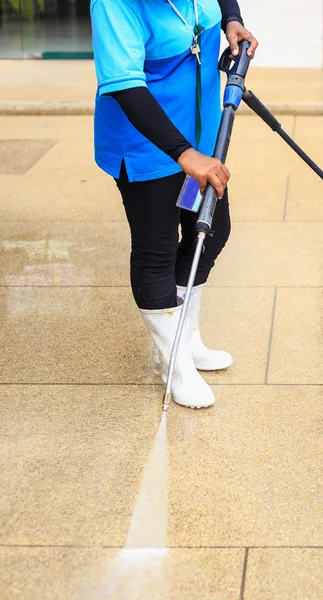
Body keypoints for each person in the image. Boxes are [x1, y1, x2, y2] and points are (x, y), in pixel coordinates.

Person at [90, 0, 258, 409]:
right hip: (149, 151)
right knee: (157, 251)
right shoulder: (113, 5)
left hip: (198, 138)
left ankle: (186, 336)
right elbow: (126, 86)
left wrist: (232, 20)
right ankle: (174, 363)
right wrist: (184, 155)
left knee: (212, 233)